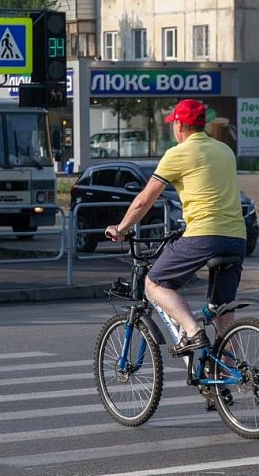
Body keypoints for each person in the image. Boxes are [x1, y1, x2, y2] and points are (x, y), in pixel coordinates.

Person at [105, 99, 246, 357]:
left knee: (155, 282)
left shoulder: (178, 154)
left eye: (173, 124)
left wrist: (121, 228)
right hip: (236, 237)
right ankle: (232, 373)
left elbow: (145, 199)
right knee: (221, 310)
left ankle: (192, 332)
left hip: (204, 234)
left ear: (179, 124)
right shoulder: (225, 150)